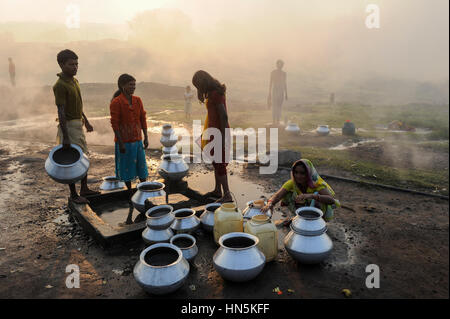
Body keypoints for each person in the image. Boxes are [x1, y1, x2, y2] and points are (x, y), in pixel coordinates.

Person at [53, 49, 99, 204]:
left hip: (78, 124)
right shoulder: (59, 85)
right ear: (61, 64)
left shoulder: (74, 81)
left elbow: (78, 104)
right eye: (71, 64)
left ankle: (84, 188)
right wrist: (65, 136)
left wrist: (86, 120)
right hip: (69, 127)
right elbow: (61, 111)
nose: (75, 67)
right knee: (72, 160)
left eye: (76, 64)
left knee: (83, 156)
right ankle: (73, 194)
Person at [192, 70, 232, 203]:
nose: (198, 88)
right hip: (212, 130)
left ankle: (227, 195)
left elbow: (224, 115)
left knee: (220, 163)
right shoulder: (211, 92)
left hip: (219, 132)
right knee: (216, 161)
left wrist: (223, 136)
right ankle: (217, 190)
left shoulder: (216, 93)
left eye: (198, 85)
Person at [261, 159, 340, 224]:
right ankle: (298, 218)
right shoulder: (292, 183)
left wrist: (311, 195)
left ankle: (317, 223)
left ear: (308, 173)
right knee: (287, 194)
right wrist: (270, 204)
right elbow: (277, 195)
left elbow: (331, 200)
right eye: (296, 172)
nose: (298, 176)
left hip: (319, 213)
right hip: (304, 207)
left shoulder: (316, 184)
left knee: (317, 199)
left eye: (302, 173)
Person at [110, 73, 149, 196]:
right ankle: (130, 192)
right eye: (130, 85)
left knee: (141, 166)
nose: (133, 87)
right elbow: (115, 124)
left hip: (137, 140)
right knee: (126, 167)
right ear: (122, 86)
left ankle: (144, 190)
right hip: (124, 142)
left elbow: (143, 119)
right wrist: (121, 143)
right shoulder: (116, 102)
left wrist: (146, 137)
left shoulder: (138, 100)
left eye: (134, 85)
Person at [267, 59, 288, 126]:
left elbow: (285, 83)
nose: (280, 66)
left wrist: (286, 93)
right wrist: (269, 93)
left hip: (281, 91)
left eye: (281, 65)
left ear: (282, 66)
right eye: (279, 64)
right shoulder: (273, 72)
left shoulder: (284, 73)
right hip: (275, 90)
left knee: (279, 106)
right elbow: (270, 83)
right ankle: (274, 121)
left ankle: (278, 120)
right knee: (274, 106)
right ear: (276, 65)